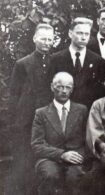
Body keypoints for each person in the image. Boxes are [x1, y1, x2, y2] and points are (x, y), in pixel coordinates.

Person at [7, 23, 54, 194]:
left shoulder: (56, 61)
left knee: (45, 158)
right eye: (43, 38)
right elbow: (14, 94)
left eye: (50, 39)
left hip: (49, 118)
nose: (46, 42)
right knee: (26, 159)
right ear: (35, 39)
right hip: (26, 119)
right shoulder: (22, 63)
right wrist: (14, 120)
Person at [31, 72, 88, 194]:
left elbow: (87, 140)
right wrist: (61, 154)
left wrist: (78, 156)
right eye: (60, 86)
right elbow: (37, 145)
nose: (64, 91)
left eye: (68, 87)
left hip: (75, 158)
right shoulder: (41, 113)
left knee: (75, 176)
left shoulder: (82, 110)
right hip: (49, 159)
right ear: (52, 87)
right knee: (51, 175)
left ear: (72, 89)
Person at [50, 17, 105, 108]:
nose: (83, 37)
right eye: (79, 33)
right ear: (70, 34)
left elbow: (100, 92)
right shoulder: (55, 59)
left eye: (87, 34)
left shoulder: (98, 61)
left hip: (89, 112)